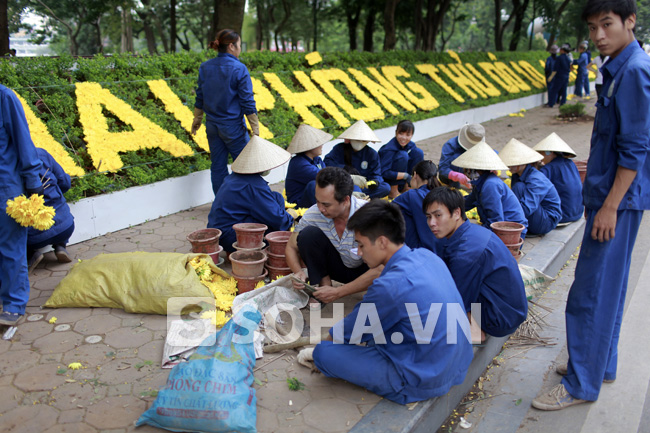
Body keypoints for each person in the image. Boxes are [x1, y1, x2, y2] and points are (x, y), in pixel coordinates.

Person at [533, 0, 650, 411]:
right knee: (609, 288)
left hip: (615, 201)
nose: (598, 35)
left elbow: (635, 149)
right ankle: (601, 364)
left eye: (607, 24)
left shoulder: (633, 71)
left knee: (589, 293)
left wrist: (609, 207)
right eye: (593, 27)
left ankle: (581, 384)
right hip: (615, 196)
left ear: (629, 22)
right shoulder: (619, 66)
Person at [307, 200, 473, 404]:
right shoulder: (427, 256)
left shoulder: (390, 286)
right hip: (457, 362)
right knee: (380, 328)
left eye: (361, 245)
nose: (359, 252)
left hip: (424, 378)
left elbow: (347, 333)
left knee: (324, 353)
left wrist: (322, 348)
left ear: (383, 242)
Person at [423, 187, 528, 342]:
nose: (432, 223)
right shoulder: (470, 231)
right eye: (428, 217)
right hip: (509, 308)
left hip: (500, 318)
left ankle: (474, 331)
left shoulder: (466, 253)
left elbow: (455, 301)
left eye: (438, 215)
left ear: (457, 213)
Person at [286, 167, 382, 303]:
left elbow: (382, 267)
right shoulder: (314, 214)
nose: (320, 208)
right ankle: (324, 285)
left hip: (366, 270)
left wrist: (338, 292)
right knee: (307, 235)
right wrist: (298, 272)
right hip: (337, 266)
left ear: (346, 200)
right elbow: (290, 246)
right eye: (317, 201)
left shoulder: (369, 215)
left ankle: (371, 288)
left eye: (326, 204)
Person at [192, 29, 260, 196]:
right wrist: (255, 129)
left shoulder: (205, 67)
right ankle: (245, 204)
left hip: (212, 126)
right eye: (238, 45)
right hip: (233, 128)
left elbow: (200, 96)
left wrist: (197, 119)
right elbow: (247, 102)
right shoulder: (239, 68)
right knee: (245, 166)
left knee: (218, 166)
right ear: (231, 46)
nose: (239, 49)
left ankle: (222, 205)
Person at [0, 84, 44, 325]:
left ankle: (13, 305)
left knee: (10, 247)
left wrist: (32, 179)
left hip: (5, 187)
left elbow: (22, 140)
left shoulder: (4, 97)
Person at [207, 136, 295, 253]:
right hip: (231, 237)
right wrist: (290, 217)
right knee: (276, 223)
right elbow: (277, 219)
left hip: (220, 229)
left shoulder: (234, 177)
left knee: (277, 197)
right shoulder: (254, 185)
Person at [453, 141, 528, 238]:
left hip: (511, 233)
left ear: (473, 169)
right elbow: (468, 202)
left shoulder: (490, 185)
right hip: (500, 227)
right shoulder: (481, 183)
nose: (464, 171)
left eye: (466, 169)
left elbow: (496, 222)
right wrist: (449, 206)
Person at [499, 138, 562, 236]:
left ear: (523, 164)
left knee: (518, 188)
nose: (509, 167)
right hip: (536, 216)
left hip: (547, 221)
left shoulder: (536, 179)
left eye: (512, 164)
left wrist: (506, 220)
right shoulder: (517, 175)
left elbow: (527, 208)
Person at [27, 148, 75, 272]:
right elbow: (65, 183)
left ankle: (31, 254)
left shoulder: (8, 165)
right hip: (66, 227)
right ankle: (60, 246)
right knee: (62, 213)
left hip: (32, 238)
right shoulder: (41, 154)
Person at [324, 120, 390, 199]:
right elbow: (327, 162)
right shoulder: (340, 148)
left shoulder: (372, 154)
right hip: (342, 184)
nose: (359, 142)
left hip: (363, 186)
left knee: (385, 187)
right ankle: (356, 196)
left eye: (362, 140)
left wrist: (375, 181)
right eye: (357, 139)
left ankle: (355, 196)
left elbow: (376, 173)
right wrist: (344, 168)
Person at [392, 160, 442, 254]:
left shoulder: (412, 195)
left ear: (415, 175)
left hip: (420, 250)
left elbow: (387, 209)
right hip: (442, 248)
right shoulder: (443, 194)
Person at [533, 133, 583, 224]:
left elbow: (535, 184)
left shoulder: (549, 168)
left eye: (541, 153)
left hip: (563, 215)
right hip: (577, 212)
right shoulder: (570, 163)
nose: (540, 157)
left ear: (549, 152)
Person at [285, 124, 333, 208]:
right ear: (310, 146)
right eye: (318, 143)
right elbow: (324, 177)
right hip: (299, 203)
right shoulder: (298, 163)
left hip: (316, 198)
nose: (322, 145)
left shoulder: (317, 159)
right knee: (314, 185)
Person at [378, 120, 424, 198]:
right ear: (396, 132)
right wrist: (405, 176)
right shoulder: (388, 149)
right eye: (401, 133)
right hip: (388, 183)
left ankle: (408, 187)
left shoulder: (410, 145)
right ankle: (393, 191)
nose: (404, 138)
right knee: (403, 155)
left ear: (412, 135)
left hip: (404, 181)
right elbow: (383, 172)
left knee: (418, 152)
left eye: (408, 135)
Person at [438, 123, 485, 189]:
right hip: (451, 178)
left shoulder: (479, 142)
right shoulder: (450, 145)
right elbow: (443, 168)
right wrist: (457, 176)